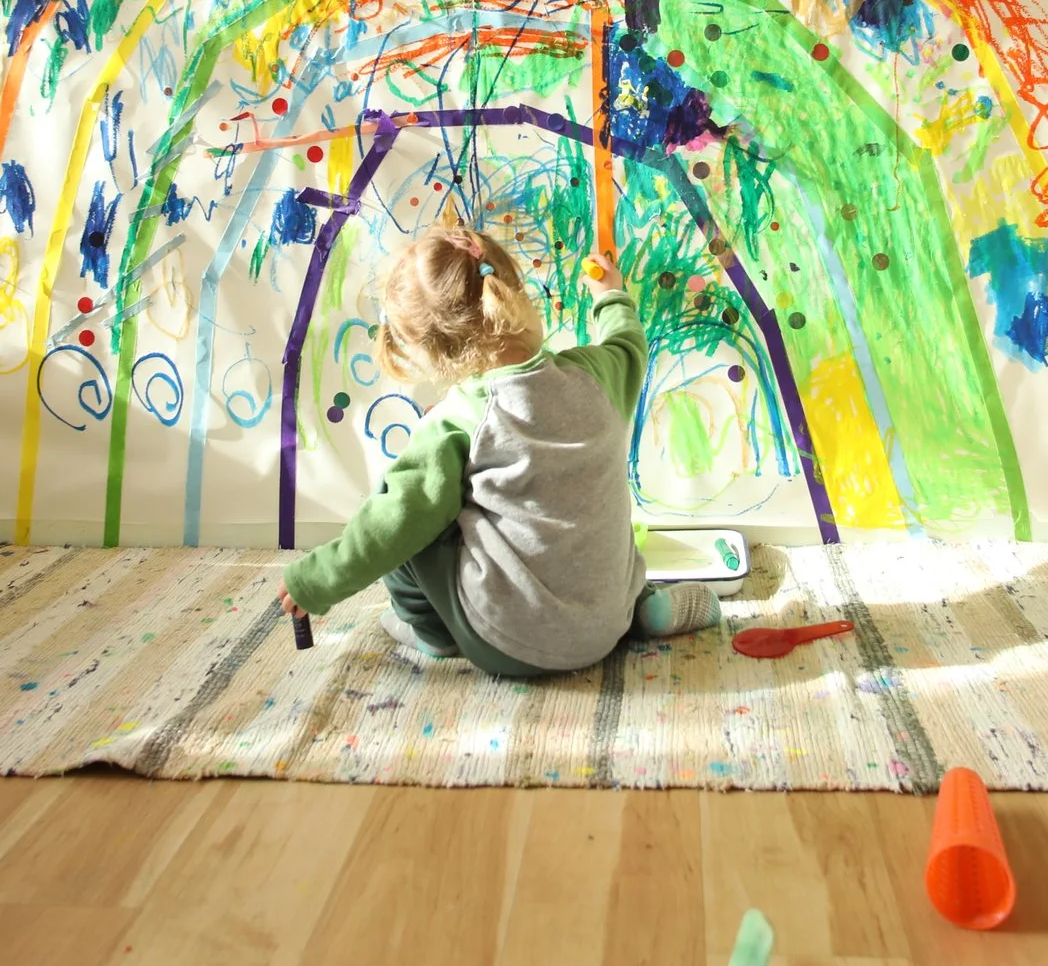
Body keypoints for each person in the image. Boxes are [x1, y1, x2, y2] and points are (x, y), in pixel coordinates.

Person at [279, 225, 719, 674]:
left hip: (506, 646)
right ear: (514, 290)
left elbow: (386, 528)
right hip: (608, 627)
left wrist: (312, 582)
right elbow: (628, 345)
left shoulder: (457, 422)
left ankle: (432, 634)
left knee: (404, 513)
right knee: (584, 526)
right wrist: (610, 295)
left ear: (432, 351)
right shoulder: (596, 375)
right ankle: (644, 605)